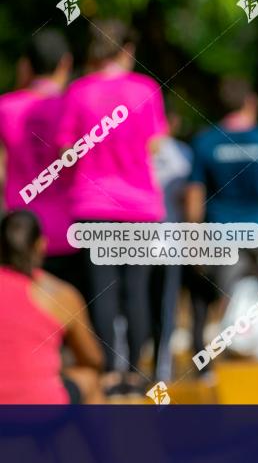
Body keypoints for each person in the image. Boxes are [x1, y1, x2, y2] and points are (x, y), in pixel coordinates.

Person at [57, 20, 168, 392]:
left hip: (93, 205)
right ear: (127, 50)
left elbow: (66, 152)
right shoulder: (145, 89)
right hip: (139, 206)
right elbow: (155, 145)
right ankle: (135, 370)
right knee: (136, 290)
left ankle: (107, 371)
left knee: (101, 290)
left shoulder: (78, 92)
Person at [183, 77, 258, 375]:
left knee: (223, 308)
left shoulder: (205, 143)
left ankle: (209, 377)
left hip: (225, 238)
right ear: (251, 102)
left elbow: (194, 197)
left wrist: (193, 243)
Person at [0, 30, 82, 295]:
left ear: (26, 64)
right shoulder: (74, 105)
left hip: (18, 234)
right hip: (68, 230)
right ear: (65, 62)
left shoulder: (5, 107)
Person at [0, 211, 104, 404]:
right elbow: (93, 359)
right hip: (41, 406)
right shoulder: (59, 294)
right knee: (88, 379)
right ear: (41, 245)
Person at [149, 103, 192, 381]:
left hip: (136, 239)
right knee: (166, 306)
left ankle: (124, 366)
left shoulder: (136, 151)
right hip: (171, 240)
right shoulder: (183, 155)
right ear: (172, 122)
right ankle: (161, 368)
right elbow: (189, 199)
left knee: (134, 302)